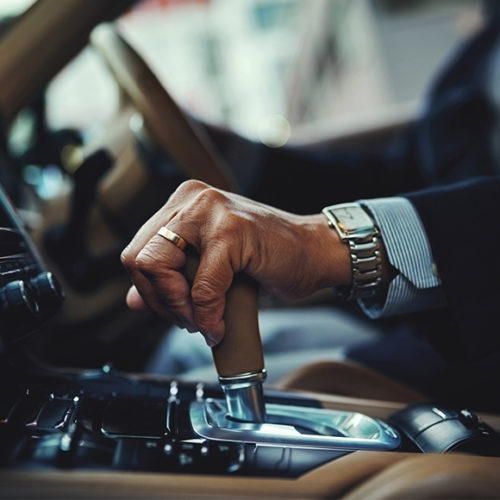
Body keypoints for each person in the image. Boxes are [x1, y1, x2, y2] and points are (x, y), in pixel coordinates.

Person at [121, 4, 500, 413]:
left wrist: (327, 245)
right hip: (428, 324)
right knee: (180, 354)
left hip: (474, 361)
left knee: (178, 401)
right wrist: (237, 154)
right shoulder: (486, 44)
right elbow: (401, 173)